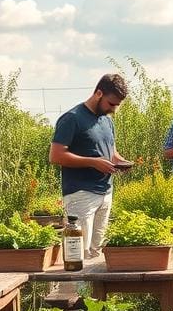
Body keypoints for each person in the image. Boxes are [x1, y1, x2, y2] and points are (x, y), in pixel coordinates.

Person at [49, 73, 130, 258]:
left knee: (96, 251)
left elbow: (112, 153)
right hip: (80, 194)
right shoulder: (72, 118)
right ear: (99, 93)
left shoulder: (107, 120)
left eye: (117, 105)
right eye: (111, 104)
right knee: (79, 253)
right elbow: (55, 155)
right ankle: (78, 288)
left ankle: (92, 288)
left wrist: (120, 162)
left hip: (106, 192)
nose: (114, 110)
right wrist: (93, 162)